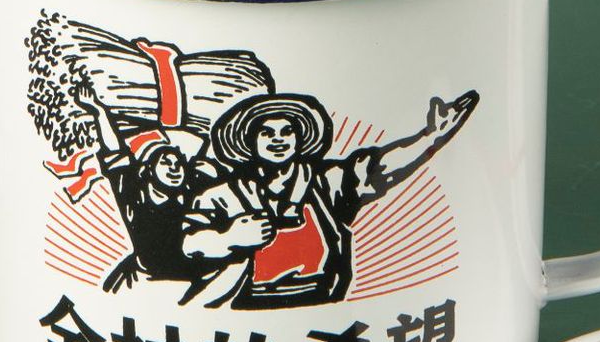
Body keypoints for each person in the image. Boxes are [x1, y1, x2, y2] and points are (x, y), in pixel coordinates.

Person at [180, 88, 479, 309]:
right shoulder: (223, 196)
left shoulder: (325, 182)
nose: (278, 139)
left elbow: (380, 167)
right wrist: (229, 238)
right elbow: (187, 243)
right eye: (266, 133)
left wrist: (430, 137)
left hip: (323, 305)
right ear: (249, 141)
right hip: (244, 312)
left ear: (299, 139)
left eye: (287, 131)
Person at [68, 81, 220, 293]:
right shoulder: (134, 198)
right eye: (165, 162)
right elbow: (116, 153)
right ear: (148, 170)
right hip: (143, 281)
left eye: (178, 163)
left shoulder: (192, 195)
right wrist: (99, 111)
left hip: (192, 279)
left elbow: (213, 158)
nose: (174, 168)